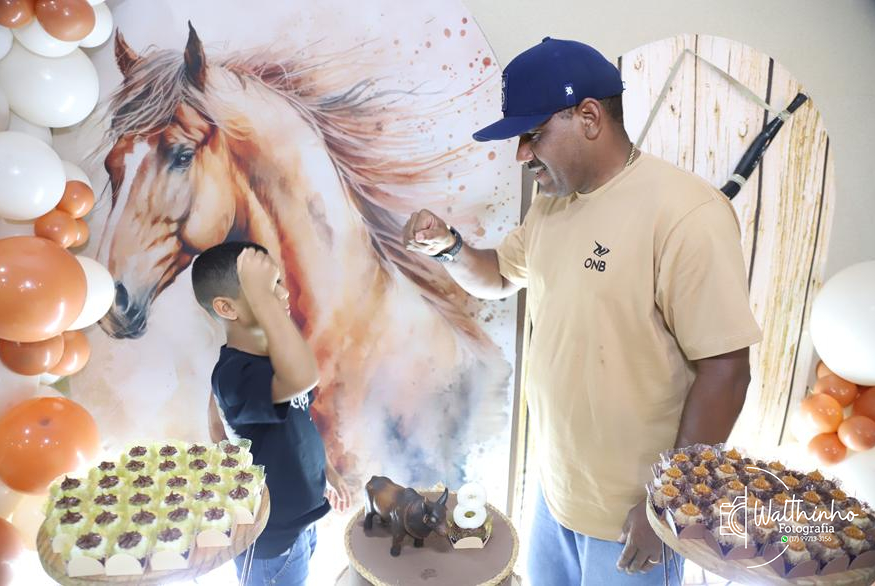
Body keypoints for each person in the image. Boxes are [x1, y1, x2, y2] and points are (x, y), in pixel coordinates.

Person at [403, 38, 761, 585]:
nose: (521, 154)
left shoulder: (687, 213)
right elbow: (501, 275)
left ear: (589, 117)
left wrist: (668, 501)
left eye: (533, 134)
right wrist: (449, 248)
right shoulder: (552, 205)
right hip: (556, 495)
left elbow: (727, 371)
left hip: (635, 518)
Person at [191, 241, 350, 586]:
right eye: (267, 286)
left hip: (301, 521)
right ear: (226, 307)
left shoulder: (273, 359)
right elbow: (304, 377)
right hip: (271, 540)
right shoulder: (235, 374)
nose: (283, 293)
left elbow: (301, 421)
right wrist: (264, 300)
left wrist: (328, 472)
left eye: (277, 282)